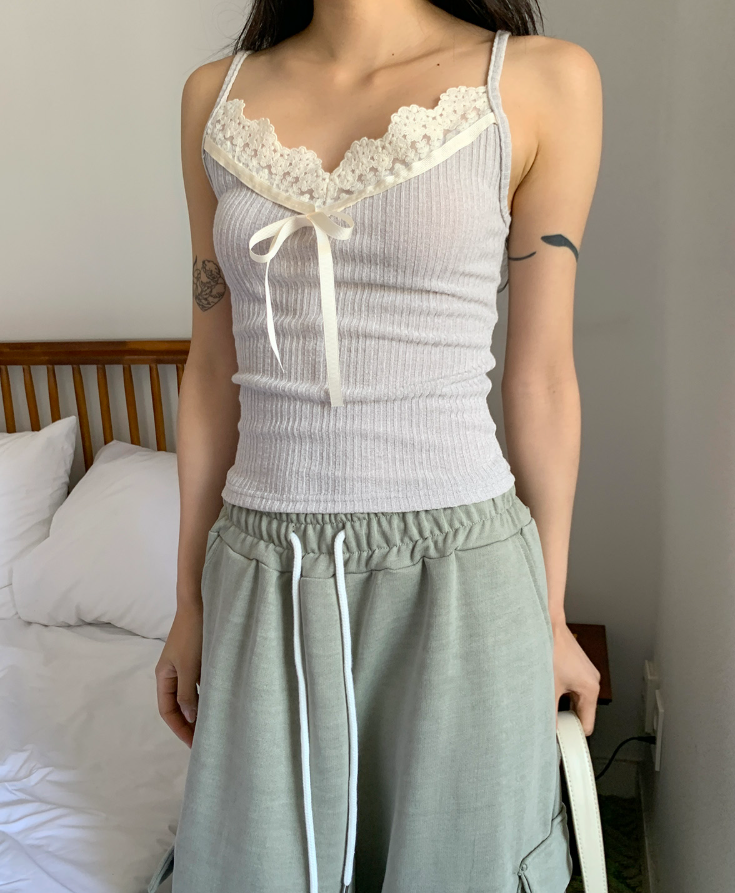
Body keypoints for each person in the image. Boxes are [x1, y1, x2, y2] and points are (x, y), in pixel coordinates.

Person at [153, 1, 603, 890]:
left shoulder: (540, 80)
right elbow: (209, 372)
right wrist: (189, 600)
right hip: (261, 564)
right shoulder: (214, 95)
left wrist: (548, 614)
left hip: (460, 571)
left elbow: (543, 376)